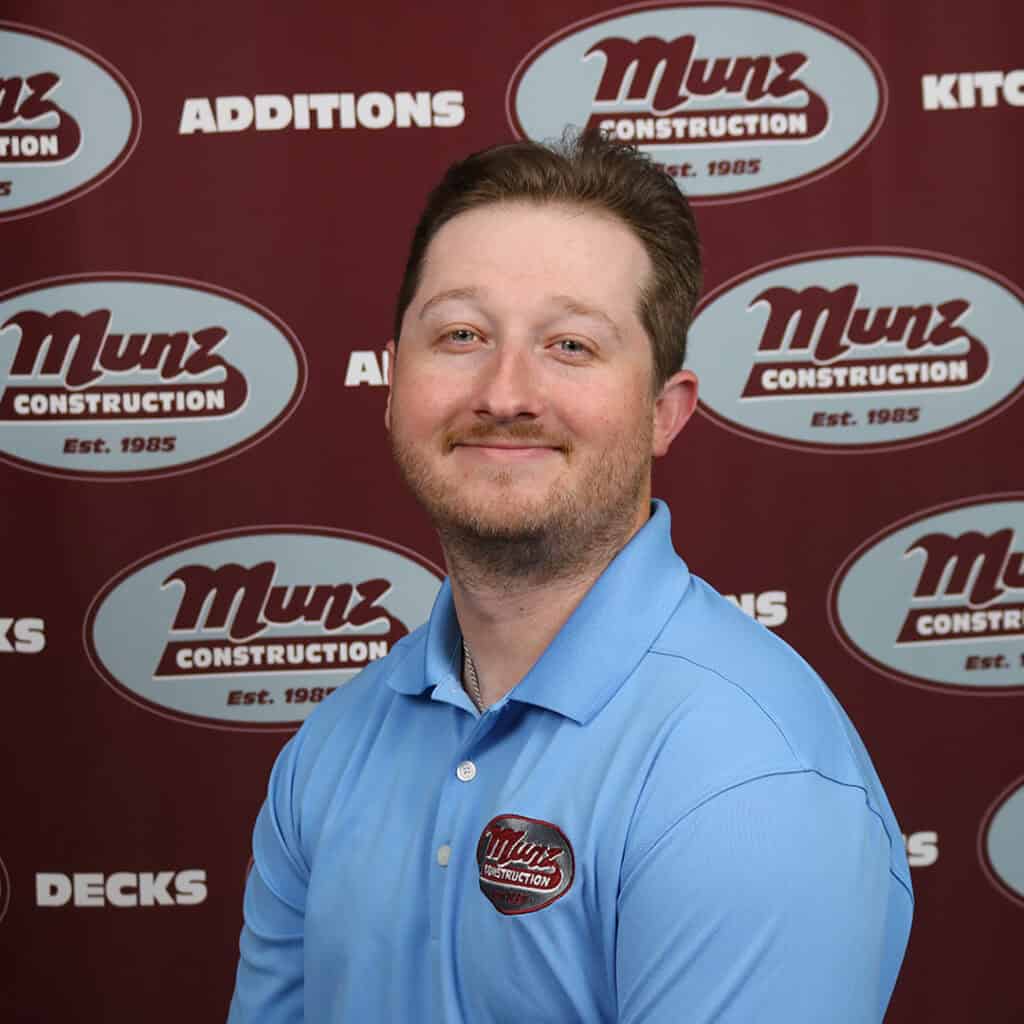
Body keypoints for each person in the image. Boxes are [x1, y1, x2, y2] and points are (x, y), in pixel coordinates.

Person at [227, 130, 913, 1023]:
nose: (506, 392)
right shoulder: (329, 752)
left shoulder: (750, 783)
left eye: (572, 346)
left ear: (665, 413)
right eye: (461, 333)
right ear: (393, 385)